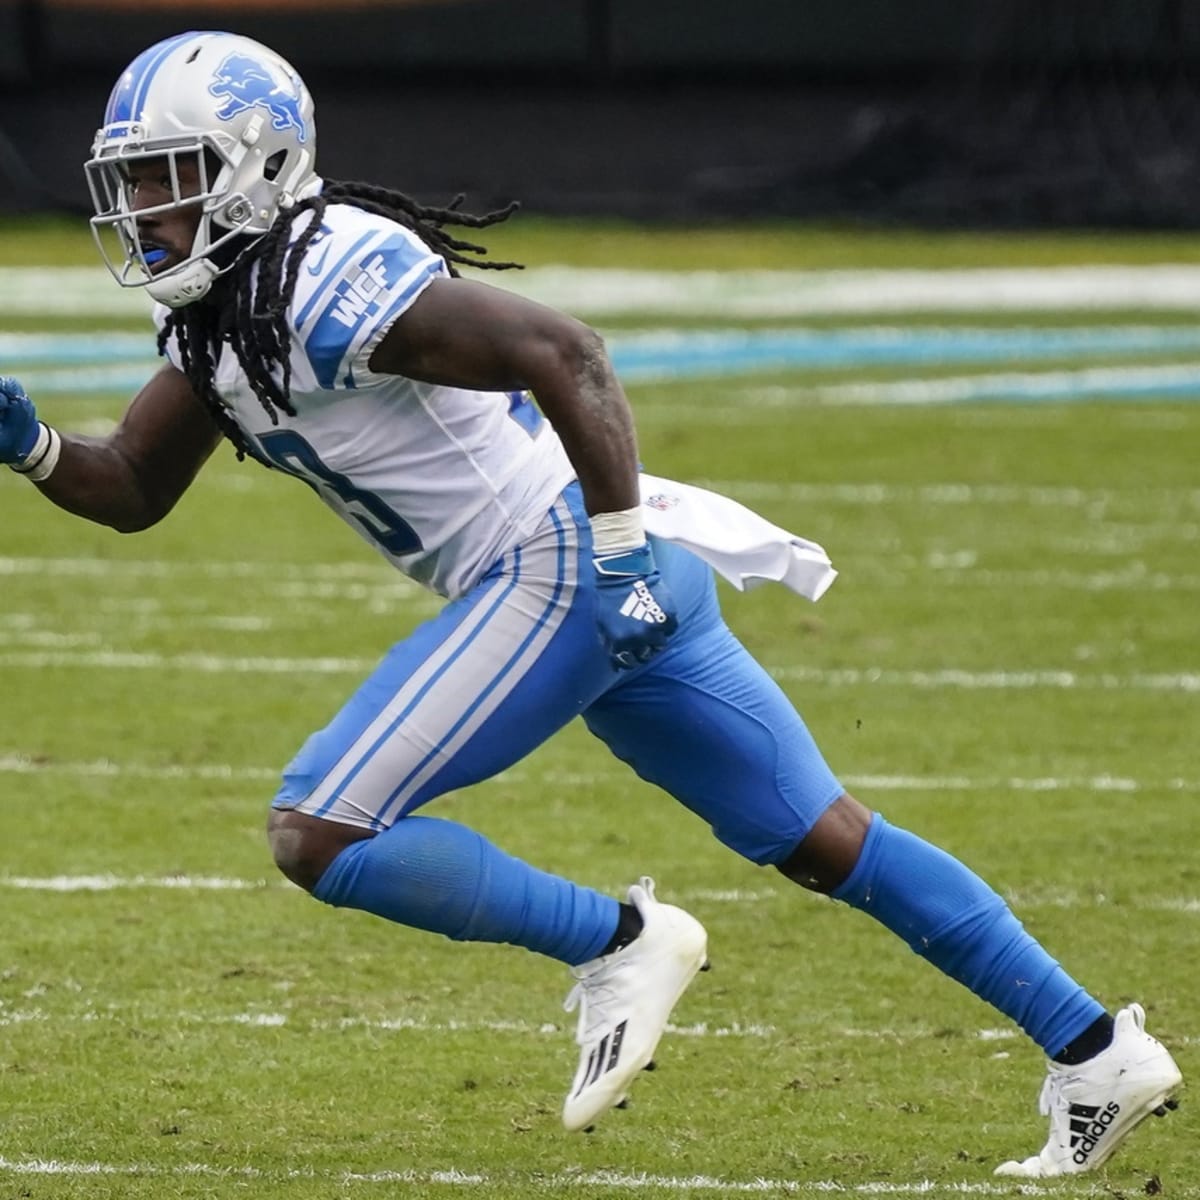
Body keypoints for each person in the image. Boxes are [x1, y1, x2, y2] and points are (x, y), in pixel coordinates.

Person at [0, 30, 1182, 1173]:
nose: (144, 211)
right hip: (607, 560)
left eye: (168, 178)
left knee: (320, 827)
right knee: (826, 840)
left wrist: (610, 550)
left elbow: (566, 352)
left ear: (255, 167)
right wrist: (32, 443)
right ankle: (1096, 1051)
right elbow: (136, 486)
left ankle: (619, 942)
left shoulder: (320, 269)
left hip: (570, 557)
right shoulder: (222, 312)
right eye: (132, 183)